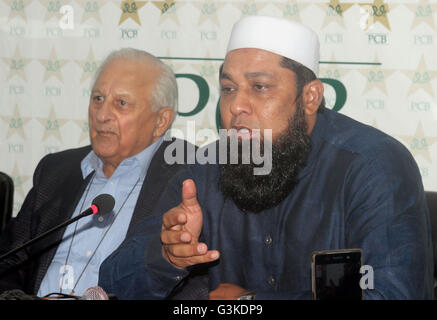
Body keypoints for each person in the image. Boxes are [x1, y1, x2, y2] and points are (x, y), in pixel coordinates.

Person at [99, 16, 434, 299]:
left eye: (259, 87)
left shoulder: (374, 166)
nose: (235, 106)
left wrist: (251, 304)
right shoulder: (204, 169)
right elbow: (112, 279)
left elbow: (392, 293)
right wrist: (167, 256)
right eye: (228, 89)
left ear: (310, 97)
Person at [0, 48, 196, 298]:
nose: (102, 115)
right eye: (98, 99)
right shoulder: (56, 170)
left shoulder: (190, 177)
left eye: (121, 104)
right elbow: (7, 261)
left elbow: (194, 285)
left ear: (161, 121)